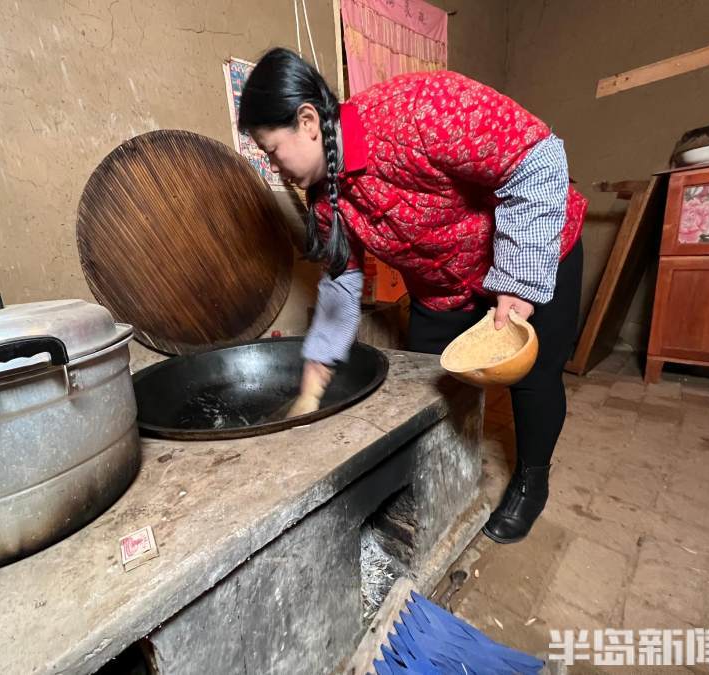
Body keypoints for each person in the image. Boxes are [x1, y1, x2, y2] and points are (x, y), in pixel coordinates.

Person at [238, 48, 586, 544]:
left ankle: (532, 480)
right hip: (444, 286)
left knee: (532, 376)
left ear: (308, 121)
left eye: (273, 151)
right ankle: (435, 483)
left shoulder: (419, 109)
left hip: (533, 247)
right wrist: (315, 373)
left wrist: (518, 281)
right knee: (425, 381)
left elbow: (537, 158)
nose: (276, 168)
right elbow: (341, 281)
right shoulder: (325, 200)